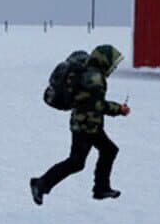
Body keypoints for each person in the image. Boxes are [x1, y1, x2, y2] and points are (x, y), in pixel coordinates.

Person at [31, 43, 129, 203]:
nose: (113, 68)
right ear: (104, 60)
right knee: (77, 162)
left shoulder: (89, 72)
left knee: (108, 151)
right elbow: (98, 106)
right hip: (85, 127)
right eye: (112, 63)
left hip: (88, 124)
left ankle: (101, 188)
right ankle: (40, 184)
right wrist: (119, 109)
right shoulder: (95, 78)